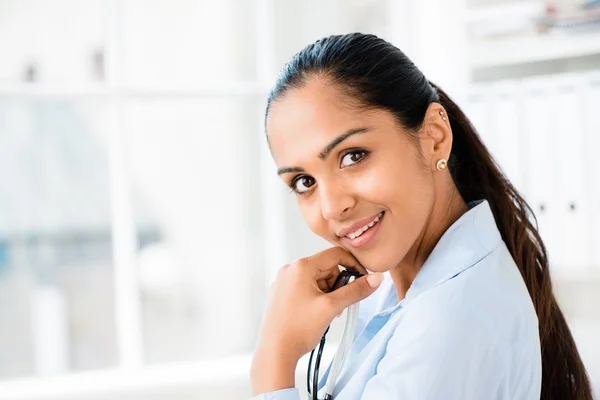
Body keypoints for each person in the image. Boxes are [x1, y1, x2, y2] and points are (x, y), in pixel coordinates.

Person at [249, 33, 593, 400]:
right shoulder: (390, 292)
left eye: (353, 156)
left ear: (434, 137)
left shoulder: (452, 320)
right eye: (304, 181)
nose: (332, 207)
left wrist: (274, 358)